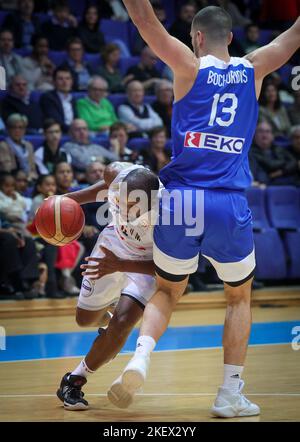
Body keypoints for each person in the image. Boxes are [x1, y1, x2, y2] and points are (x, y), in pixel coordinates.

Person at [109, 1, 300, 417]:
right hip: (228, 204)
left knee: (167, 290)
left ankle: (140, 358)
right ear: (230, 37)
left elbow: (143, 19)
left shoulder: (188, 67)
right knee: (238, 298)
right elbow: (295, 35)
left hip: (181, 201)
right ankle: (230, 393)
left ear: (196, 38)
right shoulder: (255, 67)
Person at [56, 161, 160, 409]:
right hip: (112, 246)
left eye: (131, 205)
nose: (122, 209)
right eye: (120, 200)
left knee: (122, 323)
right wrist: (66, 200)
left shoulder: (169, 218)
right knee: (85, 320)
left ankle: (74, 380)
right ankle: (111, 322)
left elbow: (167, 270)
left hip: (146, 263)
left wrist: (120, 265)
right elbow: (104, 187)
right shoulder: (117, 174)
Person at [249, 121, 297, 185]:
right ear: (254, 134)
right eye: (261, 131)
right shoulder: (251, 152)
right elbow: (270, 164)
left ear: (272, 136)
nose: (264, 135)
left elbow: (293, 162)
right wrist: (284, 163)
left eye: (267, 131)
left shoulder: (278, 148)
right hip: (268, 184)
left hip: (289, 183)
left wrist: (280, 172)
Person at [0, 114, 37, 181]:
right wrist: (24, 176)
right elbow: (7, 169)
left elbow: (33, 169)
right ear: (8, 129)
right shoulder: (3, 146)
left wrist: (31, 175)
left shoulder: (29, 146)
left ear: (24, 130)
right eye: (14, 127)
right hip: (13, 181)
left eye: (20, 127)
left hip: (29, 179)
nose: (17, 130)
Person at [40, 67, 77, 133]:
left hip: (74, 133)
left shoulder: (73, 99)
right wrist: (74, 130)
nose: (65, 82)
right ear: (54, 82)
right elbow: (56, 121)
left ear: (72, 81)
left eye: (67, 78)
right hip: (58, 133)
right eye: (60, 79)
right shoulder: (48, 98)